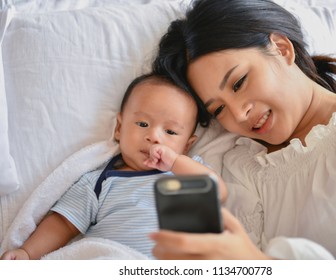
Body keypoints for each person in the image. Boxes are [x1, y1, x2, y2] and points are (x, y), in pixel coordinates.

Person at [150, 0, 336, 259]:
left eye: (239, 83)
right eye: (218, 110)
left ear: (281, 48)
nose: (239, 115)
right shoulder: (241, 169)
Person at [0, 73, 228, 260]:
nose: (154, 136)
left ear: (187, 145)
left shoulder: (188, 172)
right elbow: (63, 224)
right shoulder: (100, 181)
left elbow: (217, 191)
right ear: (119, 128)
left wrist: (175, 162)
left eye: (170, 132)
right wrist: (28, 252)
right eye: (143, 124)